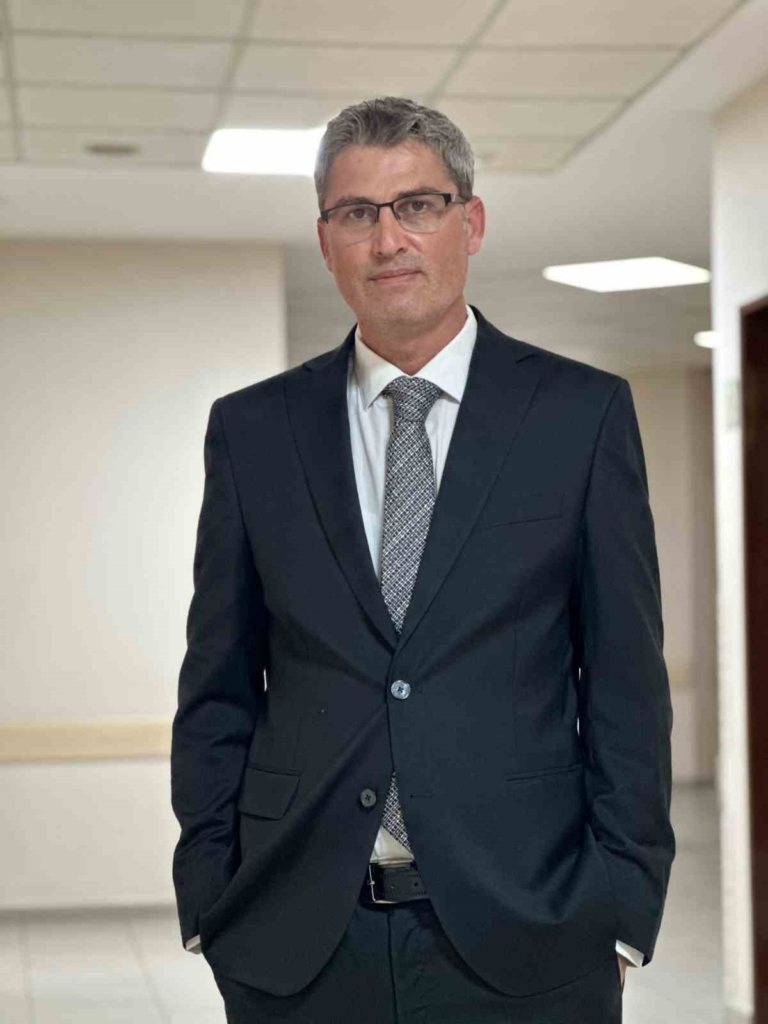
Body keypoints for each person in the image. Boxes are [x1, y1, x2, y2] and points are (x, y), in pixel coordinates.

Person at [171, 96, 675, 1023]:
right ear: (326, 242)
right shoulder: (253, 431)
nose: (388, 238)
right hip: (299, 941)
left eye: (418, 205)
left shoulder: (580, 415)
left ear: (469, 223)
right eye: (356, 213)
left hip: (532, 933)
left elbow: (625, 685)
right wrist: (210, 899)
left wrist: (622, 910)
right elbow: (218, 685)